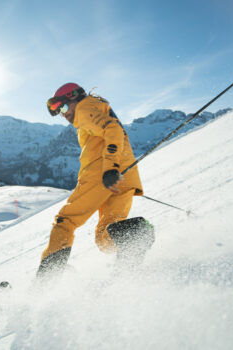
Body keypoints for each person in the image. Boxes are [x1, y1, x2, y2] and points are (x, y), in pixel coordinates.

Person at [37, 83, 145, 277]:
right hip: (125, 173)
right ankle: (136, 235)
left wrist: (110, 167)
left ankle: (46, 282)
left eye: (62, 107)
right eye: (58, 111)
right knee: (105, 235)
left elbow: (113, 130)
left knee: (66, 221)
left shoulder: (84, 108)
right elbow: (113, 131)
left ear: (73, 97)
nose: (63, 114)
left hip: (103, 172)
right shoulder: (96, 107)